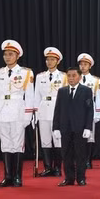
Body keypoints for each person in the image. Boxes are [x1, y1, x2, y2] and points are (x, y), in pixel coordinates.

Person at [0, 40, 35, 187]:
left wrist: (28, 115)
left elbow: (30, 95)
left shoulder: (26, 73)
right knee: (5, 145)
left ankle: (17, 177)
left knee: (17, 144)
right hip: (1, 112)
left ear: (17, 56)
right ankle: (8, 176)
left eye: (10, 54)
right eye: (5, 54)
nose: (7, 57)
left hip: (18, 111)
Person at [53, 67, 93, 186]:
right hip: (65, 128)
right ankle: (69, 178)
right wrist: (56, 127)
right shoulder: (62, 91)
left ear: (79, 77)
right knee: (66, 154)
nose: (71, 78)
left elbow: (89, 110)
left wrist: (88, 127)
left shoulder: (86, 91)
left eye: (73, 75)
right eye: (69, 75)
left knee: (80, 154)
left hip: (80, 128)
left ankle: (81, 178)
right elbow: (57, 110)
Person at [35, 47, 67, 177]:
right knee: (45, 140)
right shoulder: (40, 76)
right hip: (43, 110)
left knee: (58, 140)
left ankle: (58, 168)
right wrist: (35, 114)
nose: (49, 62)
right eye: (48, 59)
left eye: (52, 59)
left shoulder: (64, 76)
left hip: (57, 110)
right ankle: (48, 167)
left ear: (58, 61)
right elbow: (36, 96)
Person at [77, 53, 100, 169]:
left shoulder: (95, 80)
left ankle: (88, 160)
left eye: (85, 64)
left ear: (90, 66)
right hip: (76, 110)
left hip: (89, 110)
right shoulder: (74, 77)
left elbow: (98, 97)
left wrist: (98, 113)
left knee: (90, 136)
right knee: (77, 136)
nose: (83, 66)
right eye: (81, 64)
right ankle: (79, 160)